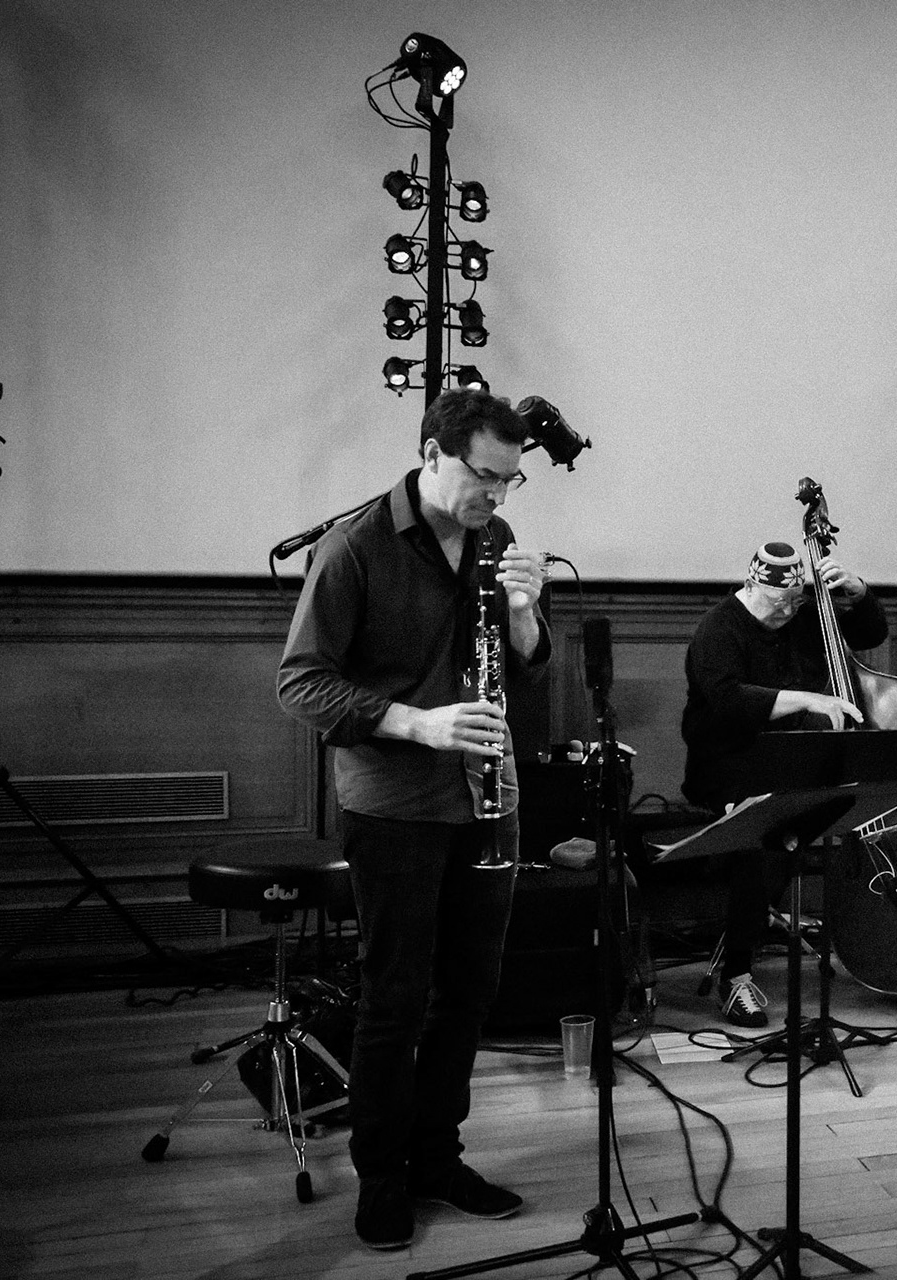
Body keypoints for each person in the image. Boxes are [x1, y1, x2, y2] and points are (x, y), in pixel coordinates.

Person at [279, 388, 551, 1251]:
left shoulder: (494, 539)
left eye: (509, 481)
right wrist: (416, 723)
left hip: (488, 797)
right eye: (484, 476)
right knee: (396, 999)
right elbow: (300, 683)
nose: (496, 497)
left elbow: (525, 664)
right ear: (432, 452)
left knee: (469, 995)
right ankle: (382, 1177)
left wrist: (524, 616)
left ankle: (438, 1158)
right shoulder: (355, 547)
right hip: (396, 804)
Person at [679, 541, 886, 1027]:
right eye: (779, 602)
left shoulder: (804, 615)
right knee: (767, 834)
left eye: (796, 600)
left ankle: (764, 905)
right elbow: (729, 701)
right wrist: (809, 700)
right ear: (751, 585)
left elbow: (869, 633)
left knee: (830, 806)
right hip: (725, 763)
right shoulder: (718, 628)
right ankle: (736, 976)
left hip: (795, 763)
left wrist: (860, 594)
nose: (789, 611)